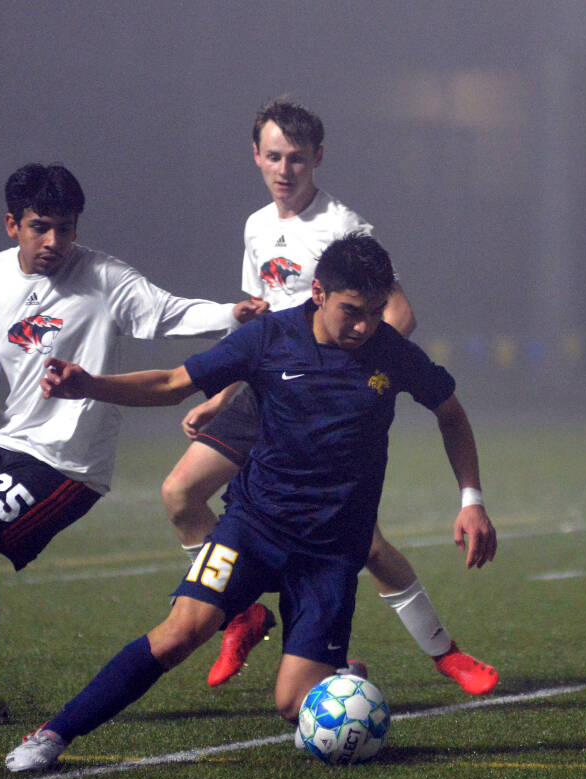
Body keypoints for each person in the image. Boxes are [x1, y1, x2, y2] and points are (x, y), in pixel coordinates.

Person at [6, 233, 497, 772]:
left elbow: (450, 410)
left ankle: (340, 677)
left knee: (292, 704)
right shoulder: (269, 338)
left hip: (331, 553)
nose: (365, 326)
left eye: (376, 313)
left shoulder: (392, 353)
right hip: (252, 527)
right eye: (352, 312)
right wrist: (92, 385)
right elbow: (172, 383)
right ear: (317, 293)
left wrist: (470, 499)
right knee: (180, 634)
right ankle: (53, 734)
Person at [0, 163, 266, 730]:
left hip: (66, 464)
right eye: (41, 227)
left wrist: (230, 314)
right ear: (12, 224)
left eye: (65, 229)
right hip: (9, 442)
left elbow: (166, 312)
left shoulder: (104, 277)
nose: (54, 241)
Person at [159, 99, 495, 693]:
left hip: (322, 398)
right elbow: (257, 325)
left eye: (296, 159)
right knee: (181, 493)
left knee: (361, 542)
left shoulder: (344, 227)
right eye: (273, 157)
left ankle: (444, 652)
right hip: (268, 391)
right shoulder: (257, 226)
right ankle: (243, 615)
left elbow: (399, 313)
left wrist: (348, 375)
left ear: (318, 158)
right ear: (256, 156)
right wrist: (226, 392)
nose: (284, 170)